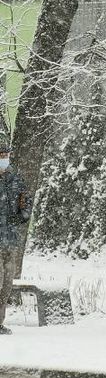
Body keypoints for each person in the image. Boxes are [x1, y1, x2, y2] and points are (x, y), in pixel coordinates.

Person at [0, 135, 31, 336]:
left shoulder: (16, 179)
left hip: (9, 239)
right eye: (1, 155)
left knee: (6, 282)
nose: (4, 158)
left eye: (6, 155)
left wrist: (21, 217)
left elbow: (25, 202)